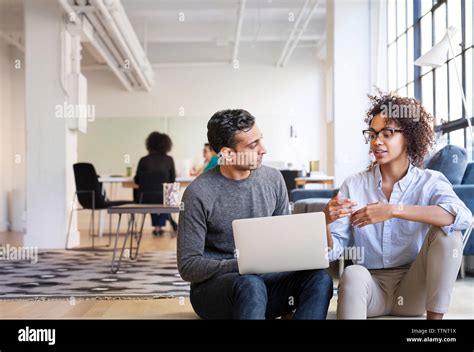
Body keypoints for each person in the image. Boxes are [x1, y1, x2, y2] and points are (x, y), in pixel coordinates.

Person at [323, 92, 472, 319]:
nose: (377, 141)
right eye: (372, 134)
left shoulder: (430, 181)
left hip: (413, 289)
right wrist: (324, 221)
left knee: (448, 235)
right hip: (371, 288)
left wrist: (394, 210)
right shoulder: (354, 184)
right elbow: (332, 252)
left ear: (409, 138)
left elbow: (462, 216)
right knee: (352, 273)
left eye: (387, 133)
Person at [177, 109, 333, 320]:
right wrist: (245, 264)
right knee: (250, 284)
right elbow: (188, 266)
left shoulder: (273, 179)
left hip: (266, 285)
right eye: (253, 145)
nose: (264, 150)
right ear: (227, 153)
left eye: (261, 140)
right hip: (218, 292)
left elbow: (283, 242)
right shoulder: (198, 193)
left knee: (320, 279)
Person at [135, 132, 176, 236]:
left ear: (149, 144)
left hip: (144, 199)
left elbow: (137, 181)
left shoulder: (143, 160)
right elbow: (172, 181)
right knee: (165, 195)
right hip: (164, 198)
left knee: (152, 194)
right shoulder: (169, 160)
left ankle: (157, 227)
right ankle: (161, 225)